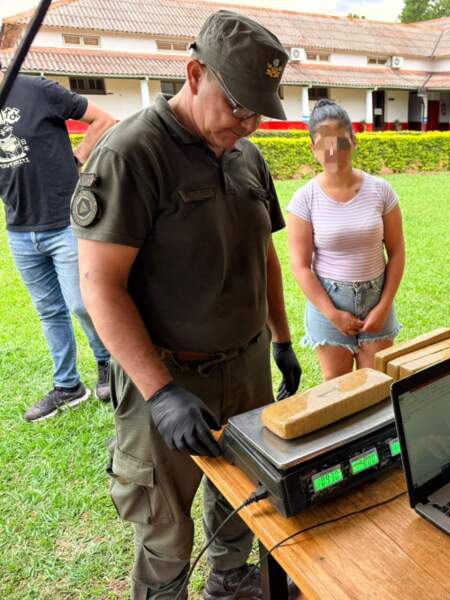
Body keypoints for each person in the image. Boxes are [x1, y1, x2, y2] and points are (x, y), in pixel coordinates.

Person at [72, 11, 302, 599]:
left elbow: (265, 257)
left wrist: (280, 340)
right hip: (167, 376)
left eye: (258, 110)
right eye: (238, 106)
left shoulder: (247, 158)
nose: (248, 123)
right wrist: (161, 392)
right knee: (163, 526)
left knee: (241, 497)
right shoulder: (131, 154)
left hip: (245, 365)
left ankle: (229, 582)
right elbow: (100, 286)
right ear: (194, 72)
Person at [0, 67, 115, 421]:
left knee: (82, 303)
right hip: (18, 227)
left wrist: (78, 158)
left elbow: (103, 119)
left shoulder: (34, 89)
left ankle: (107, 363)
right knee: (49, 311)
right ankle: (68, 386)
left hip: (63, 220)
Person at [287, 99, 404, 380]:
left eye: (339, 141)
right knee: (337, 390)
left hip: (377, 296)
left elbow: (397, 251)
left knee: (375, 385)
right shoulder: (305, 199)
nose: (332, 151)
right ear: (312, 149)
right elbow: (300, 266)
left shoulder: (381, 191)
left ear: (353, 141)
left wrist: (384, 305)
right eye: (323, 143)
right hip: (328, 299)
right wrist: (332, 314)